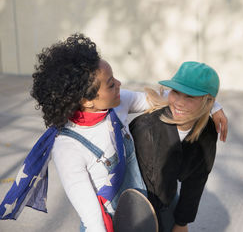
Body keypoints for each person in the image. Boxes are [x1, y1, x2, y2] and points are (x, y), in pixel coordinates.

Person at [0, 33, 228, 232]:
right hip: (107, 222)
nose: (119, 83)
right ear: (86, 101)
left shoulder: (115, 105)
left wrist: (211, 105)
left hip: (143, 209)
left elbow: (162, 100)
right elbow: (92, 219)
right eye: (110, 84)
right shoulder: (67, 148)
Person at [129, 61, 222, 232]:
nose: (179, 102)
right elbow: (150, 188)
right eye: (176, 92)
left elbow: (197, 179)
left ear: (208, 102)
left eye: (190, 97)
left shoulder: (208, 131)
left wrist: (181, 221)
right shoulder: (147, 129)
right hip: (138, 202)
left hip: (167, 196)